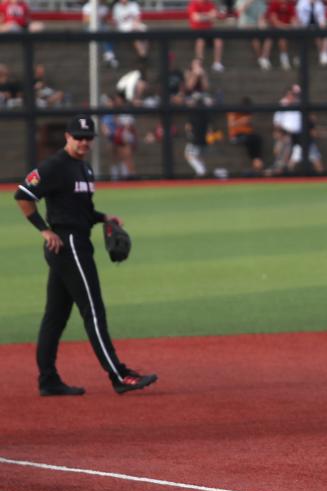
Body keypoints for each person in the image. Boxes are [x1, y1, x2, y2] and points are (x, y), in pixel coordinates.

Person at [13, 114, 158, 397]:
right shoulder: (55, 166)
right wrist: (44, 230)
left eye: (87, 137)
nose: (82, 142)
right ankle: (118, 376)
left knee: (55, 317)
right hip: (68, 246)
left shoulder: (84, 169)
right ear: (67, 136)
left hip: (76, 243)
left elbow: (81, 212)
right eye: (77, 136)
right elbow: (22, 195)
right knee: (93, 311)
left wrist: (104, 217)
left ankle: (48, 381)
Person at [228, 96, 265, 174]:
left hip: (248, 135)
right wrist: (241, 121)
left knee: (257, 138)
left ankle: (257, 161)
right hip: (237, 136)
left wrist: (246, 120)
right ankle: (256, 161)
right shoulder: (234, 112)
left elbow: (250, 122)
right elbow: (231, 124)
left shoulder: (248, 114)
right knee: (249, 139)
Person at [188, 0, 225, 72]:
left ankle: (217, 63)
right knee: (200, 41)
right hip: (197, 31)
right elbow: (196, 18)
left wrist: (203, 15)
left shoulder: (209, 3)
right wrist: (209, 15)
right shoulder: (193, 4)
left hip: (209, 30)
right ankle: (199, 64)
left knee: (218, 40)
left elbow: (214, 17)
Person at [82, 0, 118, 69]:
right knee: (102, 34)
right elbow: (85, 21)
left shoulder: (104, 8)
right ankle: (109, 56)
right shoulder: (87, 7)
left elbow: (106, 21)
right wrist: (95, 16)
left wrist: (110, 22)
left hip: (101, 28)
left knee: (107, 34)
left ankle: (109, 55)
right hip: (89, 28)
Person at [296, 0, 327, 66]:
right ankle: (301, 56)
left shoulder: (319, 3)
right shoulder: (301, 3)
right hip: (304, 26)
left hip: (316, 26)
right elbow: (299, 18)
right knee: (307, 34)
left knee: (324, 34)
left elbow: (322, 20)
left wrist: (322, 29)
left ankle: (324, 54)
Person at [263, 0, 297, 70]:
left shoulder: (290, 5)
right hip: (273, 28)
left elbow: (294, 21)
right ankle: (264, 58)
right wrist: (287, 27)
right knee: (269, 38)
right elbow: (274, 21)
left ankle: (286, 60)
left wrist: (290, 26)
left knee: (283, 39)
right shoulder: (274, 4)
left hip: (286, 30)